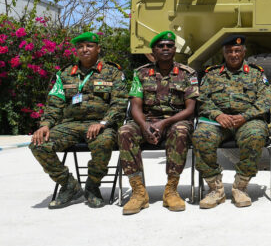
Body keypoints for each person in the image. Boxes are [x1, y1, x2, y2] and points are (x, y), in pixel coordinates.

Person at [29, 32, 127, 209]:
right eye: (80, 47)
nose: (85, 50)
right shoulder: (65, 74)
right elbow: (55, 103)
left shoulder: (113, 72)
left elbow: (119, 103)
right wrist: (45, 125)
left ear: (98, 48)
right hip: (70, 124)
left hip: (101, 124)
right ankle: (68, 185)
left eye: (89, 46)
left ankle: (92, 186)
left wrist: (104, 122)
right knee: (38, 144)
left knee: (104, 142)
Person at [119, 31, 199, 215]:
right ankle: (138, 192)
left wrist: (164, 123)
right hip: (146, 120)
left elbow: (189, 110)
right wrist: (144, 126)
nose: (165, 49)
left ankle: (171, 190)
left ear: (174, 50)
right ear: (153, 51)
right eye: (160, 46)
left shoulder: (188, 74)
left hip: (175, 120)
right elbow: (135, 106)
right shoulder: (141, 73)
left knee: (180, 130)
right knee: (125, 131)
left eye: (169, 46)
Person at [194, 35, 271, 209]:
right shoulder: (212, 74)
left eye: (237, 50)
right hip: (219, 121)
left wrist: (245, 116)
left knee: (256, 135)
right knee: (201, 136)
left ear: (244, 52)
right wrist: (217, 115)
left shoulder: (256, 73)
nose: (234, 54)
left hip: (247, 120)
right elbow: (203, 99)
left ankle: (241, 187)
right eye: (229, 51)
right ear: (224, 53)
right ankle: (216, 189)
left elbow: (265, 100)